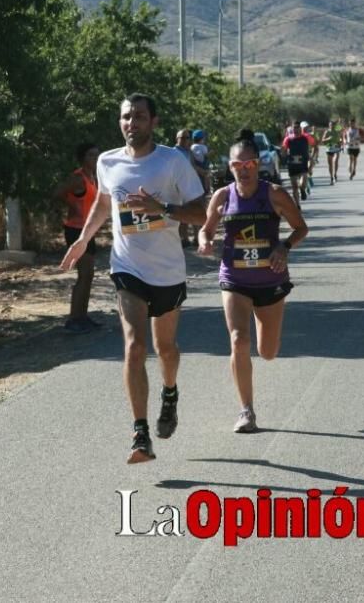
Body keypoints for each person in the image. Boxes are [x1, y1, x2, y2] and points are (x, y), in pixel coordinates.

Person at [60, 93, 207, 464]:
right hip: (127, 267)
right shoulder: (108, 162)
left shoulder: (173, 161)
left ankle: (169, 393)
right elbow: (104, 203)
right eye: (126, 117)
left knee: (166, 349)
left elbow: (202, 213)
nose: (132, 123)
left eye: (139, 116)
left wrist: (163, 209)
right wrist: (83, 239)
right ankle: (140, 433)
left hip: (168, 271)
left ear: (153, 122)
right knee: (134, 346)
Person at [198, 139, 308, 432]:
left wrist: (284, 246)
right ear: (229, 166)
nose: (243, 170)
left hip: (270, 279)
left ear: (257, 164)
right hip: (234, 278)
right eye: (237, 165)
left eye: (248, 165)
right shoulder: (222, 197)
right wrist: (205, 242)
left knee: (268, 351)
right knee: (238, 340)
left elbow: (301, 228)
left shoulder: (274, 194)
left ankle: (262, 345)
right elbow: (206, 229)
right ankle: (246, 411)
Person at [54, 143, 101, 334]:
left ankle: (82, 316)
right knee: (84, 275)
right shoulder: (77, 178)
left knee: (88, 275)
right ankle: (74, 318)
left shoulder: (93, 178)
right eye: (91, 155)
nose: (95, 159)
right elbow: (56, 194)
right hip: (76, 231)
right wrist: (69, 207)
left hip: (87, 231)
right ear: (82, 158)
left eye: (97, 155)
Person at [173, 129, 197, 246]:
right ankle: (184, 239)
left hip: (190, 187)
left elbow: (193, 167)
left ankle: (196, 238)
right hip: (178, 188)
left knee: (193, 211)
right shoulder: (173, 153)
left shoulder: (189, 153)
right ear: (177, 139)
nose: (185, 140)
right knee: (182, 215)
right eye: (183, 138)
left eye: (187, 138)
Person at [280, 121, 311, 206]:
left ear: (300, 129)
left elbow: (314, 144)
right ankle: (297, 205)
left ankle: (302, 189)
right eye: (294, 127)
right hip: (292, 164)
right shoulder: (288, 139)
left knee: (303, 182)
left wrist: (310, 156)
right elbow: (283, 150)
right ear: (292, 129)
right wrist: (284, 153)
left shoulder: (306, 137)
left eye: (297, 127)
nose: (296, 129)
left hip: (303, 163)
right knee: (294, 187)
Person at [189, 129, 212, 195]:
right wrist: (210, 153)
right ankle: (207, 190)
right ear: (202, 139)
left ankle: (204, 190)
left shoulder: (192, 146)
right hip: (202, 165)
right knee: (206, 176)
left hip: (196, 165)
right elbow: (204, 156)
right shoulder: (203, 147)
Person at [321, 119, 342, 185]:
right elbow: (323, 141)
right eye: (330, 125)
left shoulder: (337, 131)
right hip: (329, 148)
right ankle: (331, 177)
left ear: (334, 125)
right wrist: (328, 139)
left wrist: (340, 143)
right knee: (330, 165)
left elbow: (339, 140)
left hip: (336, 148)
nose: (331, 126)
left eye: (333, 125)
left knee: (335, 161)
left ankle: (335, 174)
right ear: (329, 125)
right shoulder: (327, 132)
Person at [300, 121, 318, 194]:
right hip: (298, 157)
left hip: (307, 155)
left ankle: (309, 177)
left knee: (310, 166)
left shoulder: (308, 136)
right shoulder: (296, 136)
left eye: (306, 127)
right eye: (304, 127)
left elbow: (315, 146)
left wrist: (313, 156)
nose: (305, 129)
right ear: (301, 128)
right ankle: (306, 187)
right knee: (301, 174)